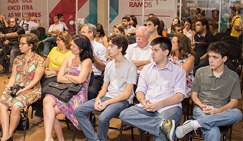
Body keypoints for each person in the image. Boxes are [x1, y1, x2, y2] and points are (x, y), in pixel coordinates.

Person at [120, 37, 186, 141]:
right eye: (152, 50)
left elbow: (179, 96)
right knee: (125, 114)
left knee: (162, 136)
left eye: (156, 50)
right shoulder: (147, 69)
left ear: (166, 52)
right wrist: (143, 101)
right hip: (147, 106)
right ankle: (161, 125)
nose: (152, 53)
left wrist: (159, 104)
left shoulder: (178, 71)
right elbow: (140, 90)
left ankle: (163, 126)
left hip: (169, 107)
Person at [74, 35, 137, 141]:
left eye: (112, 46)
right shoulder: (109, 65)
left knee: (103, 118)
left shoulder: (131, 67)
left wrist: (106, 103)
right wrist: (98, 98)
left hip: (122, 100)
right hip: (107, 97)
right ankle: (95, 139)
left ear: (120, 48)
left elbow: (126, 94)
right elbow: (104, 87)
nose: (108, 48)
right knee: (78, 111)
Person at [176, 41, 242, 141]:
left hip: (222, 111)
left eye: (215, 57)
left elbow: (234, 102)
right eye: (210, 56)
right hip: (202, 108)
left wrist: (219, 110)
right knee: (213, 131)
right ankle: (199, 122)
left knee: (238, 114)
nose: (211, 60)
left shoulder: (233, 76)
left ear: (224, 59)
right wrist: (202, 105)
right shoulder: (201, 71)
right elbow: (194, 95)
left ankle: (195, 124)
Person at [43, 35, 94, 141]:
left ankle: (56, 138)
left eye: (74, 46)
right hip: (63, 90)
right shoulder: (68, 58)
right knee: (47, 101)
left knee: (48, 111)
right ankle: (48, 137)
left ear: (81, 49)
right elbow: (59, 78)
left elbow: (81, 80)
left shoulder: (87, 61)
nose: (70, 48)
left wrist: (68, 76)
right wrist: (73, 78)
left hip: (77, 94)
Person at [0, 33, 45, 141]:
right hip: (16, 88)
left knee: (16, 107)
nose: (19, 46)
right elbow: (13, 77)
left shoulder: (40, 61)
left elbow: (35, 81)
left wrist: (23, 90)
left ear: (31, 46)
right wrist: (8, 88)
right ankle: (5, 134)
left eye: (22, 44)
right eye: (20, 43)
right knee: (2, 104)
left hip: (32, 90)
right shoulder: (18, 59)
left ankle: (9, 134)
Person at [31, 31, 72, 125]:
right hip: (47, 72)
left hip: (59, 75)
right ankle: (36, 105)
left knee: (43, 88)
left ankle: (40, 114)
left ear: (65, 41)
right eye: (57, 40)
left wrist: (53, 70)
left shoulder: (70, 53)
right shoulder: (54, 49)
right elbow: (46, 61)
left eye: (59, 40)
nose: (57, 42)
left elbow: (67, 68)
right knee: (34, 82)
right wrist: (43, 69)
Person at [79, 23, 107, 100]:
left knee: (91, 91)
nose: (81, 35)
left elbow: (102, 68)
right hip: (78, 73)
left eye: (83, 32)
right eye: (80, 32)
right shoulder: (77, 45)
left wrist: (92, 55)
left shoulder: (100, 48)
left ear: (91, 33)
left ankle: (88, 110)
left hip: (94, 75)